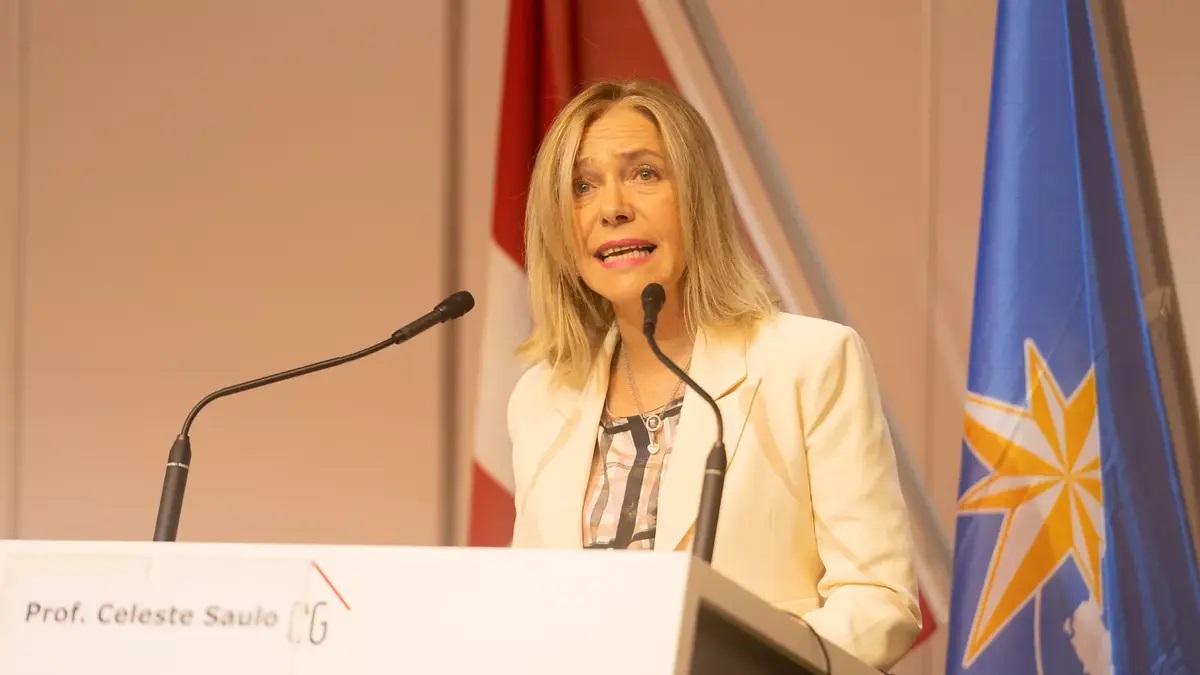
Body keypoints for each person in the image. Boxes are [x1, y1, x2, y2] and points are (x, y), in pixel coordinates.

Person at [505, 78, 921, 671]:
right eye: (582, 186)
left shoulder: (809, 362)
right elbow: (527, 610)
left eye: (644, 173)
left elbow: (878, 603)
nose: (612, 207)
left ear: (696, 198)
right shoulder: (540, 398)